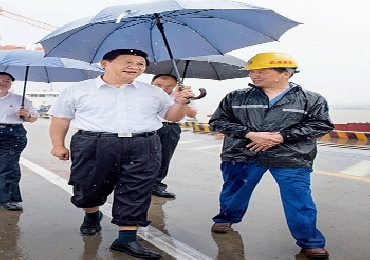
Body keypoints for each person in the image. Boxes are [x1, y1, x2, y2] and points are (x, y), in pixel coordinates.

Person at [48, 49, 195, 259]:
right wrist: (58, 145)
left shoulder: (152, 91)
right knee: (88, 188)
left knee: (137, 189)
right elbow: (60, 119)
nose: (135, 67)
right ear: (105, 63)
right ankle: (91, 215)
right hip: (93, 143)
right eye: (128, 62)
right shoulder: (78, 90)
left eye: (140, 64)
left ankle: (126, 240)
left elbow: (171, 117)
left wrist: (181, 102)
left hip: (143, 144)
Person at [209, 52, 333, 259]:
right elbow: (217, 122)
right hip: (243, 153)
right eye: (252, 72)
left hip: (291, 157)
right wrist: (249, 134)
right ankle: (226, 218)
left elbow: (321, 124)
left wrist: (283, 136)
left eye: (262, 71)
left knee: (299, 199)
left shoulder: (310, 99)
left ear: (286, 73)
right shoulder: (236, 97)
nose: (254, 75)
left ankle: (310, 241)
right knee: (234, 190)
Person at [151, 74, 198, 198]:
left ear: (175, 86)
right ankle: (138, 185)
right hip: (148, 128)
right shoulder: (145, 94)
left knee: (164, 157)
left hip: (169, 128)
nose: (163, 88)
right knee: (141, 158)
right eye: (159, 85)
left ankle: (157, 186)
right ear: (152, 83)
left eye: (169, 86)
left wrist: (183, 101)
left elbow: (192, 115)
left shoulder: (181, 95)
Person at [0, 72, 39, 211]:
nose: (2, 83)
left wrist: (27, 115)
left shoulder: (19, 100)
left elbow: (34, 117)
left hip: (13, 135)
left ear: (11, 83)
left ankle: (9, 198)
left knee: (8, 166)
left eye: (6, 80)